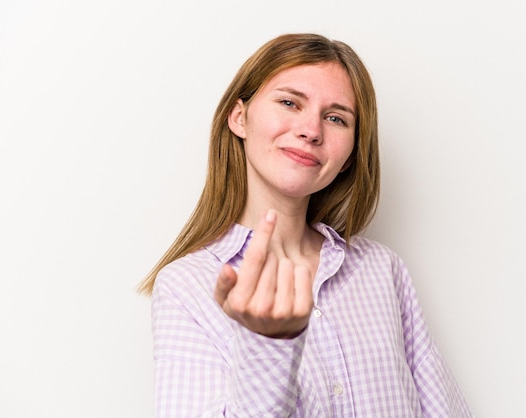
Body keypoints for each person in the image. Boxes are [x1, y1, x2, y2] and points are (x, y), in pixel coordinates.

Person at [138, 32, 473, 417]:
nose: (311, 130)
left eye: (336, 118)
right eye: (289, 102)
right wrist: (269, 349)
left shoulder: (383, 270)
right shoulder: (187, 286)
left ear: (348, 156)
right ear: (239, 117)